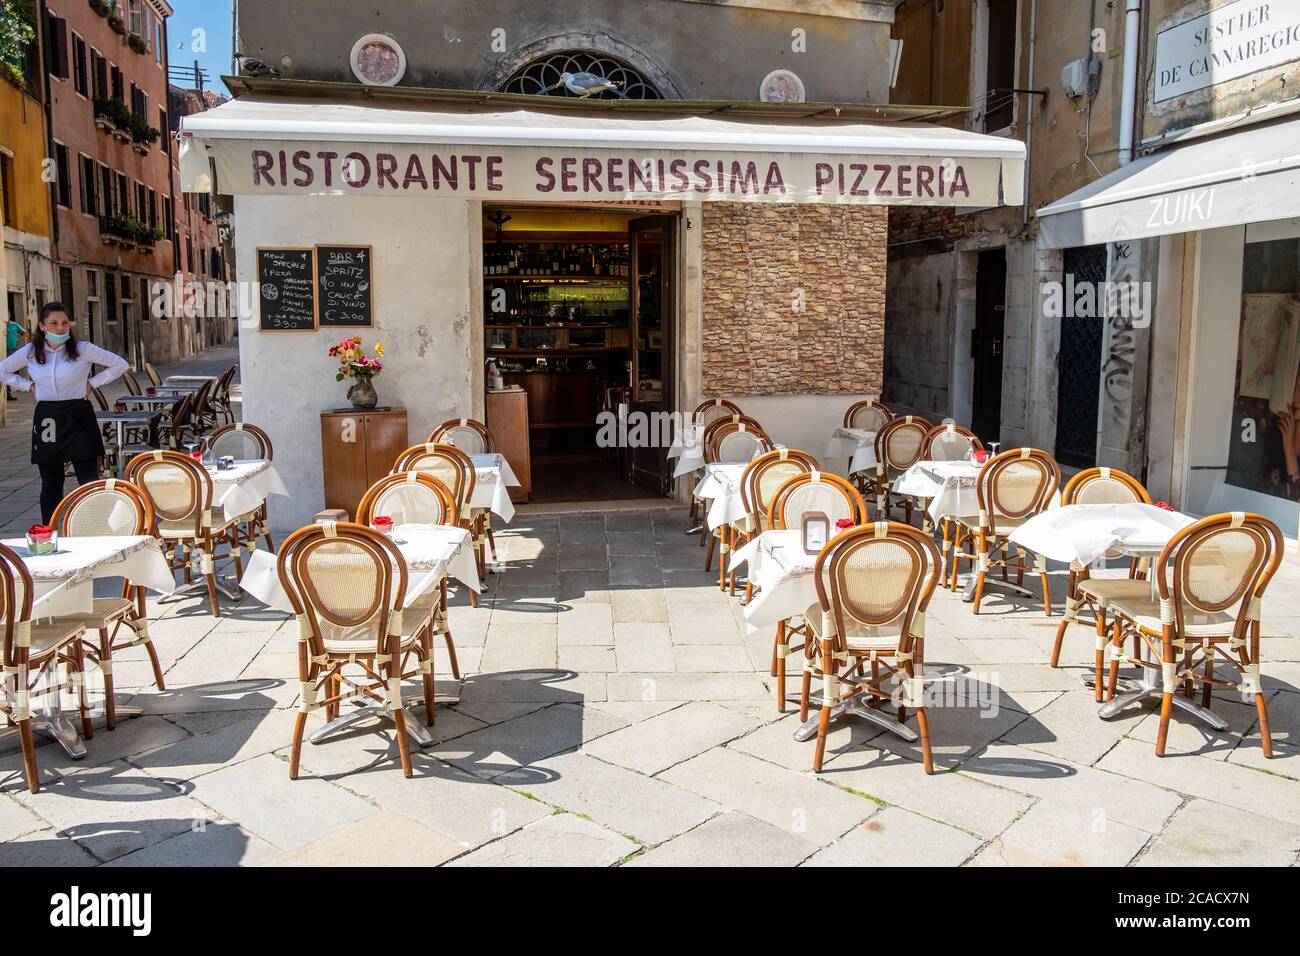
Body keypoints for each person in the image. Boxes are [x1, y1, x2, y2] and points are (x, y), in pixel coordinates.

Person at [0, 302, 129, 523]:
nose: (60, 328)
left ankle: (96, 527)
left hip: (78, 414)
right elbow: (3, 370)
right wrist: (27, 386)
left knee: (88, 479)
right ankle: (48, 532)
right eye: (54, 323)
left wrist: (92, 383)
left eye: (65, 323)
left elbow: (120, 364)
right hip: (47, 417)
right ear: (42, 326)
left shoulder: (82, 349)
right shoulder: (31, 352)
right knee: (51, 481)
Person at [4, 312, 27, 401]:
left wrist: (17, 339)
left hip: (12, 350)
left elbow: (25, 333)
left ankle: (8, 393)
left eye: (8, 314)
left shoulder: (14, 325)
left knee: (10, 371)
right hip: (2, 350)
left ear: (9, 315)